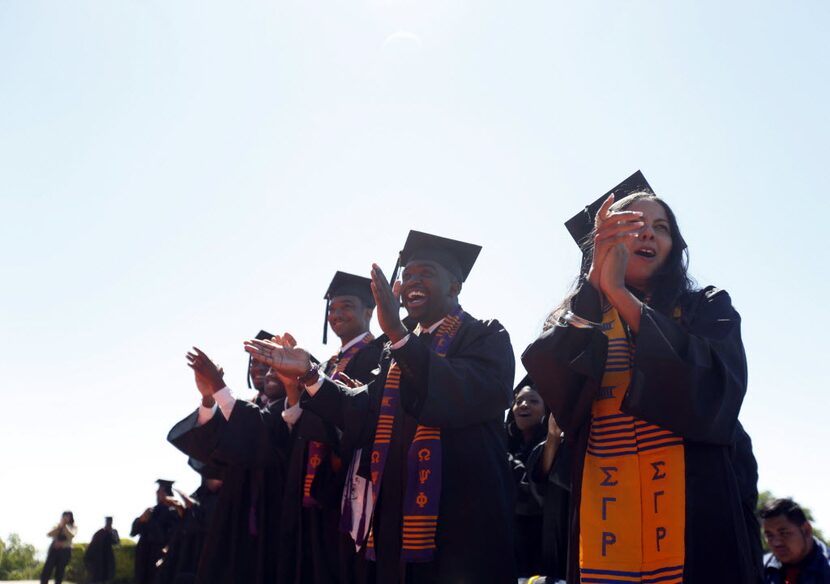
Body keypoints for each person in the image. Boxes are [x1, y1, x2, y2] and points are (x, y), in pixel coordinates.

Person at [522, 171, 763, 583]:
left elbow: (715, 388)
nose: (648, 234)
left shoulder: (706, 307)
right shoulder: (576, 320)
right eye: (631, 225)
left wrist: (619, 294)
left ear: (674, 247)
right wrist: (598, 294)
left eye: (660, 227)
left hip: (697, 502)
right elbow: (559, 390)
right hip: (605, 503)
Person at [245, 230, 517, 583]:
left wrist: (401, 338)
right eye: (408, 274)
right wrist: (310, 375)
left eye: (426, 273)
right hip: (394, 513)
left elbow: (467, 393)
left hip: (461, 514)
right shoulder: (395, 353)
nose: (411, 282)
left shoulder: (484, 336)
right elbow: (364, 412)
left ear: (455, 287)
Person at [277, 271, 383, 584]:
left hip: (351, 482)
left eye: (346, 306)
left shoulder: (380, 355)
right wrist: (292, 388)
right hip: (315, 486)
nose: (336, 315)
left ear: (369, 311)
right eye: (332, 309)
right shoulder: (325, 365)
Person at [167, 333, 289, 584]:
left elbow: (258, 433)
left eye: (266, 364)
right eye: (254, 363)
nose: (259, 370)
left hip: (275, 512)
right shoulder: (243, 406)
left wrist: (219, 388)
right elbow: (209, 450)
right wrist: (209, 397)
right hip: (235, 514)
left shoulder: (289, 407)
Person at [506, 377, 548, 577]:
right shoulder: (506, 443)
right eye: (519, 400)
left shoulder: (553, 444)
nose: (524, 405)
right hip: (508, 540)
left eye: (533, 401)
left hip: (541, 541)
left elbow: (532, 493)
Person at [761, 498, 830, 583]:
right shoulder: (760, 568)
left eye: (784, 533)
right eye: (769, 535)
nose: (776, 543)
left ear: (806, 530)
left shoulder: (826, 569)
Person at [130, 480, 180, 584]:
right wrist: (141, 520)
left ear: (166, 494)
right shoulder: (151, 511)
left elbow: (170, 536)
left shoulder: (174, 512)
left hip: (159, 556)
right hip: (145, 556)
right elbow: (134, 532)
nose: (157, 494)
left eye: (160, 491)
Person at [40, 511, 77, 584]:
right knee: (47, 570)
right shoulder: (57, 525)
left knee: (60, 572)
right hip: (54, 550)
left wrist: (65, 527)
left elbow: (71, 536)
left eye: (68, 516)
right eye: (64, 516)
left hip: (65, 551)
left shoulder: (73, 527)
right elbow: (49, 534)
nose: (66, 518)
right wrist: (59, 527)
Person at [84, 516, 120, 584]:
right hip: (98, 559)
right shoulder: (99, 533)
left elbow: (116, 542)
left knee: (107, 577)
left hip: (108, 558)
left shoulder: (113, 532)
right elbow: (93, 546)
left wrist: (111, 533)